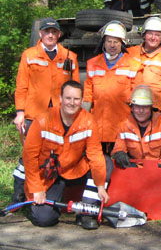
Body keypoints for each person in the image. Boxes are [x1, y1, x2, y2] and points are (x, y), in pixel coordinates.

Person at [22, 80, 112, 229]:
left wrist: (100, 185)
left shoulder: (89, 121)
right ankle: (42, 206)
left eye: (76, 99)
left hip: (76, 169)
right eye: (68, 98)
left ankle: (86, 212)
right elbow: (29, 157)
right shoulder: (43, 120)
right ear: (60, 99)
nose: (72, 103)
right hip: (52, 176)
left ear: (82, 101)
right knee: (44, 219)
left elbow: (95, 154)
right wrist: (36, 188)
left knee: (105, 161)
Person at [12, 17, 79, 204]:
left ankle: (50, 192)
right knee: (29, 155)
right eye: (47, 31)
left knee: (57, 153)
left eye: (54, 32)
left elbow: (75, 88)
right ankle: (19, 193)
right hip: (33, 114)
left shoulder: (68, 57)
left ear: (59, 35)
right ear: (41, 34)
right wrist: (19, 113)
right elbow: (21, 86)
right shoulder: (29, 55)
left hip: (59, 116)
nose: (50, 35)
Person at [83, 21, 140, 154]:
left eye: (116, 42)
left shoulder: (133, 65)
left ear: (122, 43)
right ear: (104, 42)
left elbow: (136, 99)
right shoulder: (93, 64)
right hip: (97, 127)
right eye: (109, 41)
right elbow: (87, 96)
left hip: (122, 128)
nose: (112, 45)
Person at [111, 85, 161, 167]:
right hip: (135, 170)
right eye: (137, 106)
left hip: (159, 171)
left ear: (151, 108)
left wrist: (157, 170)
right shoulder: (124, 126)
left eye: (145, 107)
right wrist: (119, 153)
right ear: (132, 108)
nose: (141, 111)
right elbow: (118, 148)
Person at [129, 17, 161, 121]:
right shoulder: (130, 53)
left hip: (155, 112)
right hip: (131, 109)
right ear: (144, 35)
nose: (153, 38)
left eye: (157, 35)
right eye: (150, 33)